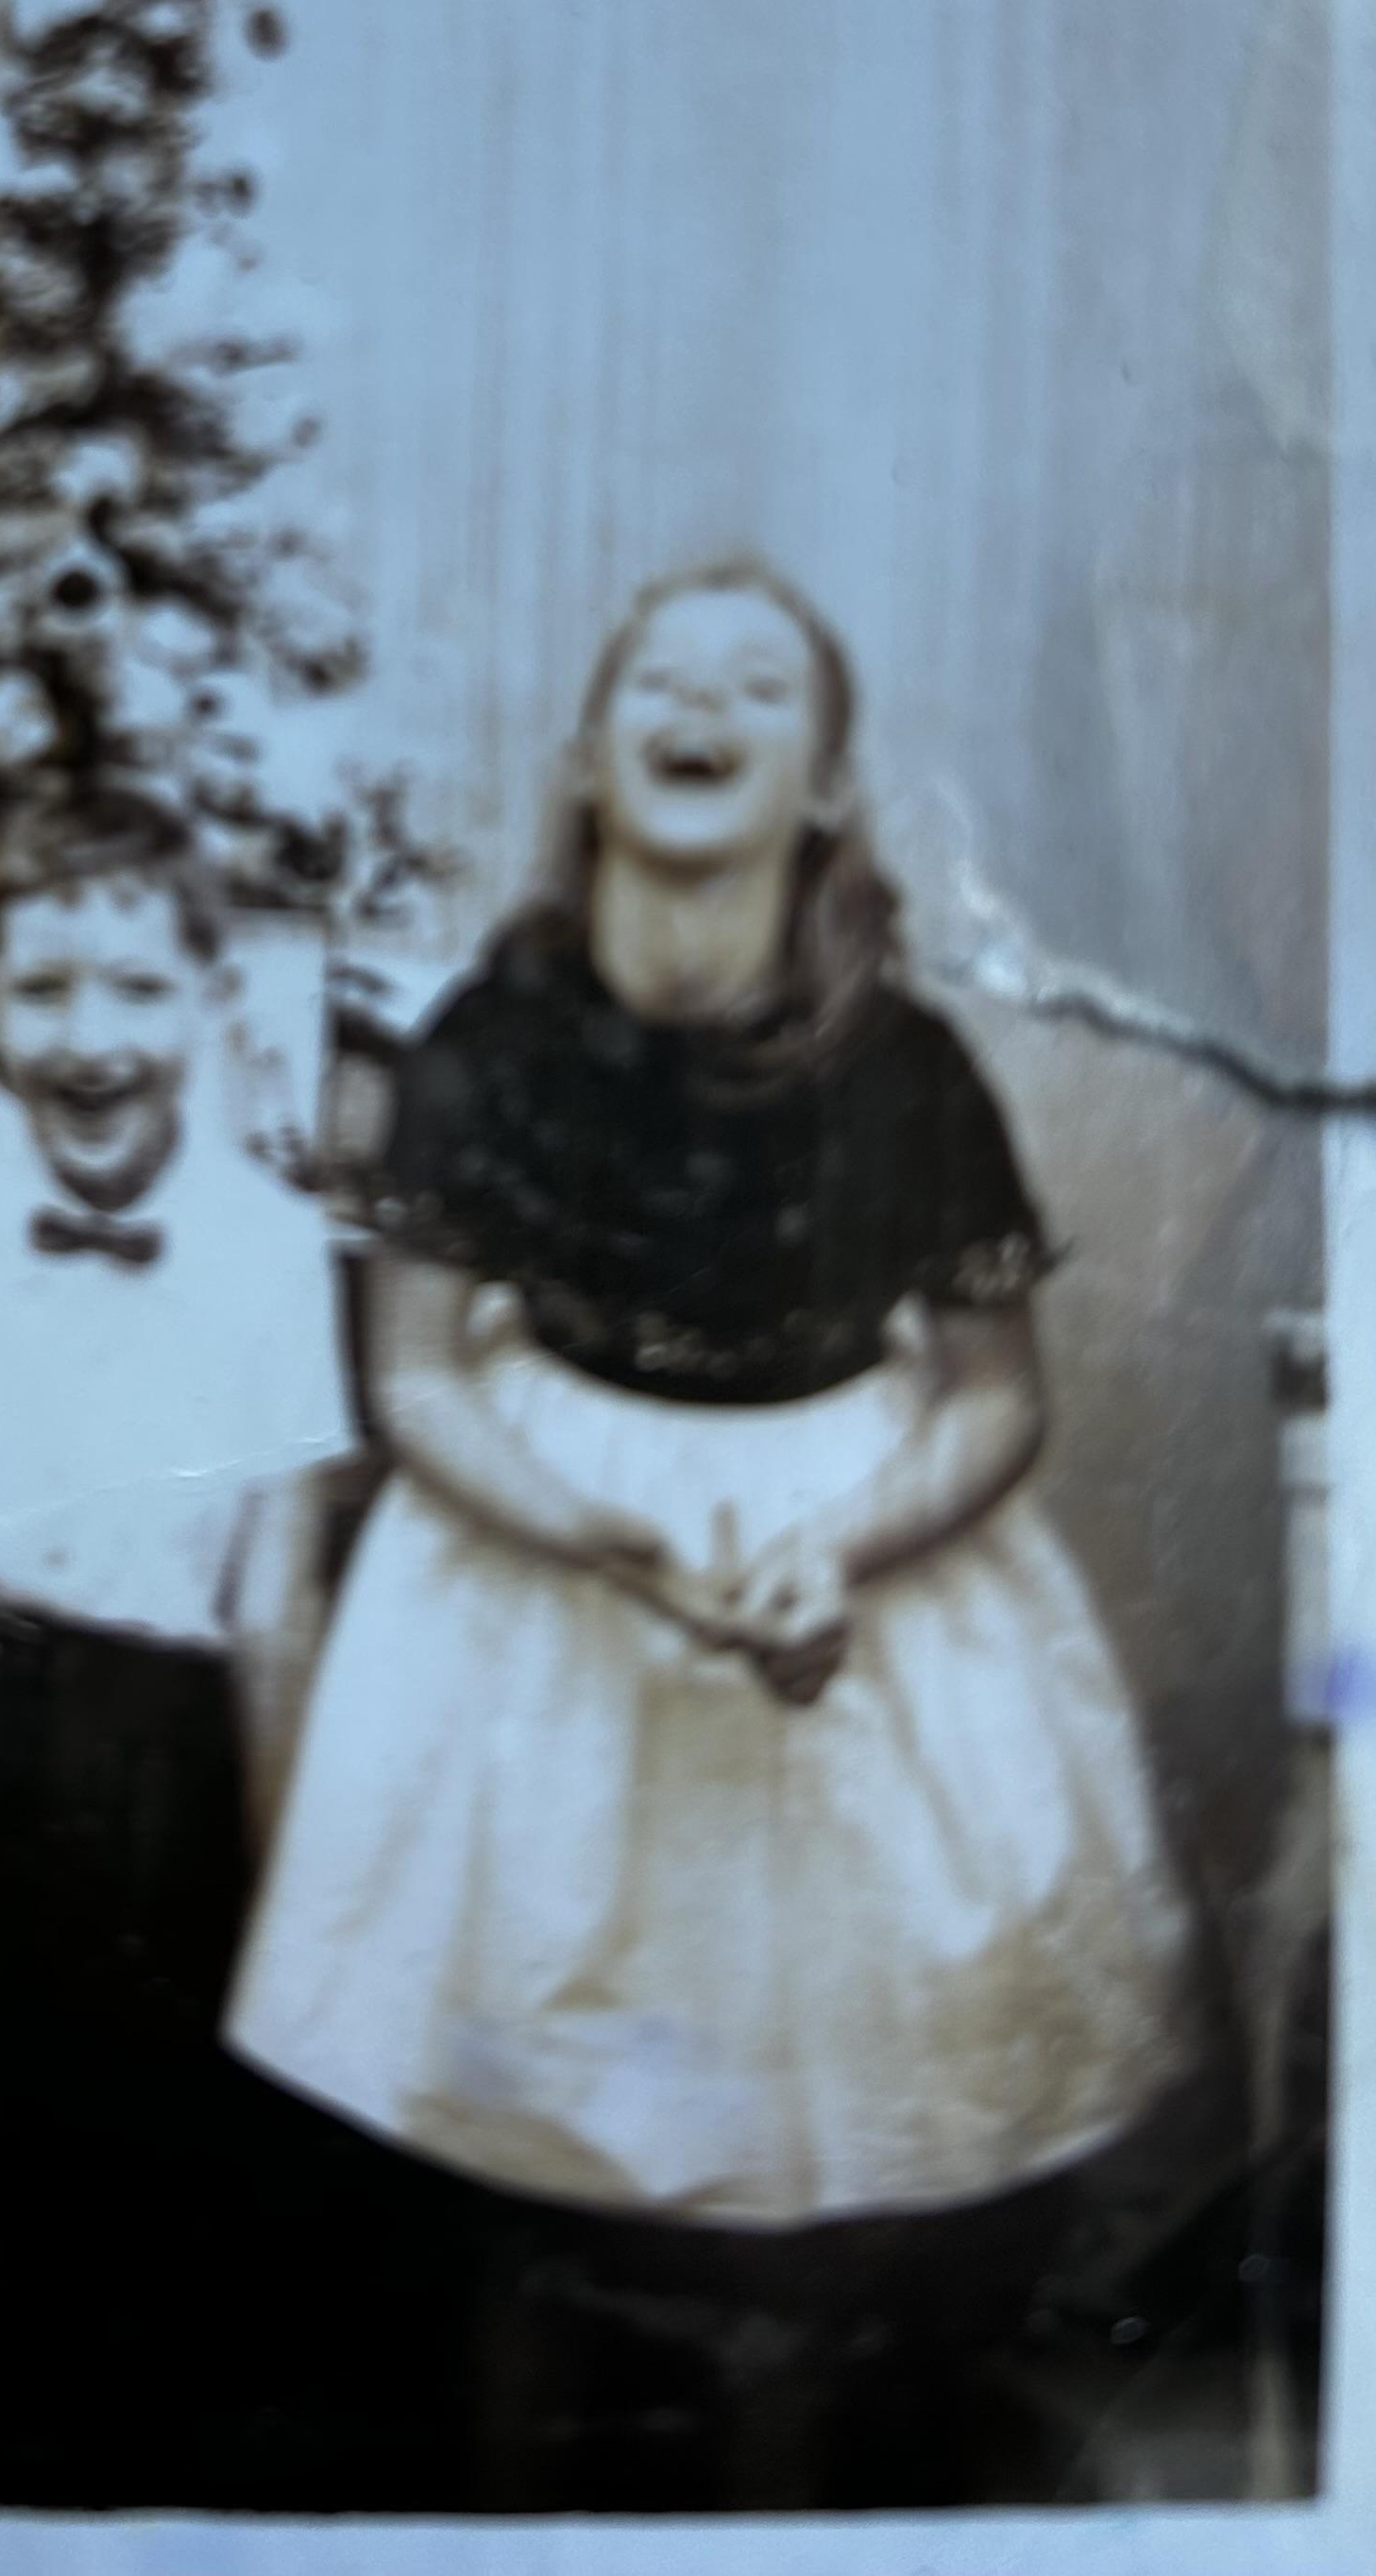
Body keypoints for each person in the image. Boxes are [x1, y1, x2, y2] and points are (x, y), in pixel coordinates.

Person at [229, 560, 1197, 2508]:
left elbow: (994, 1398)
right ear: (594, 758)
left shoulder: (906, 1068)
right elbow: (415, 1382)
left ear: (823, 784)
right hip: (540, 1563)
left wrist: (838, 1546)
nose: (703, 705)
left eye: (760, 686)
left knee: (802, 2144)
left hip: (844, 1536)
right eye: (660, 680)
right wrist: (608, 1539)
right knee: (524, 2153)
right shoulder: (488, 1039)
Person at [0, 794, 353, 2504]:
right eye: (43, 991)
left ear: (214, 1008)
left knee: (162, 2226)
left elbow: (277, 1602)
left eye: (135, 989)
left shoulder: (277, 1251)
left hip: (176, 1773)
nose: (87, 1037)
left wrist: (290, 1909)